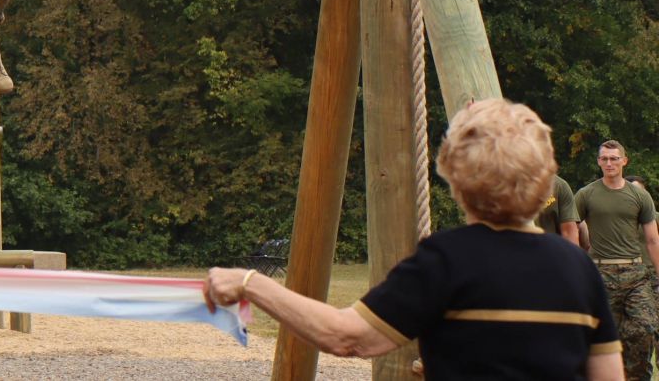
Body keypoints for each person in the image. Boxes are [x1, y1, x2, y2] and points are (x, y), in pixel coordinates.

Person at [204, 99, 621, 381]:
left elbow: (347, 336)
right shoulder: (579, 269)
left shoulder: (446, 260)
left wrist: (249, 283)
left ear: (453, 173)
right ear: (544, 175)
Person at [576, 140, 659, 380]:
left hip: (636, 273)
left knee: (645, 329)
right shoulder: (586, 194)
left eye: (614, 158)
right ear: (599, 162)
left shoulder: (639, 197)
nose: (609, 163)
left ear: (624, 160)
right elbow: (571, 226)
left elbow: (653, 241)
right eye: (604, 158)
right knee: (603, 337)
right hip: (601, 274)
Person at [538, 173, 582, 242]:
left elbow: (569, 233)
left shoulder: (559, 186)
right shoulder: (515, 184)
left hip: (549, 250)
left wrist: (571, 252)